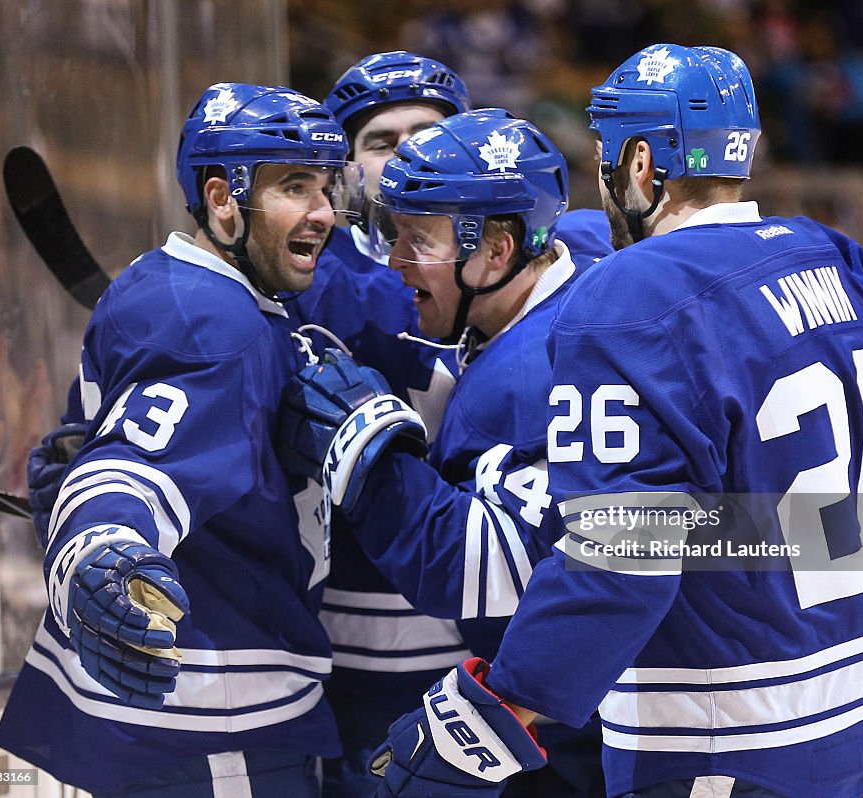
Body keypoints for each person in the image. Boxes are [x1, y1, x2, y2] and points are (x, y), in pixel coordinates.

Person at [323, 44, 863, 797]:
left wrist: (492, 717)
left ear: (639, 163)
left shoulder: (623, 297)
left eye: (603, 155)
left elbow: (623, 555)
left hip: (730, 745)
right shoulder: (831, 257)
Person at [0, 83, 363, 796]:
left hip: (165, 714)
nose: (322, 211)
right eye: (294, 186)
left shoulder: (158, 281)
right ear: (222, 199)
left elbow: (108, 445)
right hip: (212, 714)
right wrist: (101, 544)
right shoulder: (217, 327)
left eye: (324, 185)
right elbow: (136, 473)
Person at [282, 52, 611, 797]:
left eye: (421, 238)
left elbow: (496, 571)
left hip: (589, 693)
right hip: (500, 672)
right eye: (380, 142)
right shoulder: (586, 249)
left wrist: (370, 456)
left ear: (498, 245)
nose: (400, 260)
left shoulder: (524, 375)